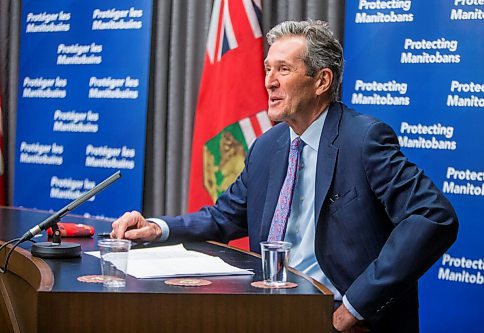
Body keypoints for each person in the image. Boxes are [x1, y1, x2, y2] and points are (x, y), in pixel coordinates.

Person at [111, 20, 458, 333]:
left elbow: (432, 216)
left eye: (284, 69)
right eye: (267, 69)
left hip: (339, 317)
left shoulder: (364, 139)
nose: (269, 82)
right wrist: (159, 229)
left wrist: (355, 306)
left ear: (322, 80)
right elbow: (224, 217)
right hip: (272, 309)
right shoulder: (267, 146)